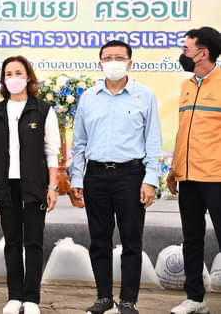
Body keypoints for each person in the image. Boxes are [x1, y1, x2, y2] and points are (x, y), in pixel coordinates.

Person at [70, 40, 162, 314]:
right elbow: (79, 144)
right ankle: (103, 298)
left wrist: (150, 180)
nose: (113, 62)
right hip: (96, 176)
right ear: (100, 62)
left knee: (131, 241)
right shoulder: (88, 97)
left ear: (129, 63)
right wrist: (77, 179)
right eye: (107, 57)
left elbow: (153, 141)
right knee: (99, 240)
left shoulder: (144, 96)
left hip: (131, 176)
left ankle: (128, 301)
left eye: (118, 57)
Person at [0, 55, 60, 314]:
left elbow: (52, 151)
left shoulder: (43, 110)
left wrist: (52, 187)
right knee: (12, 242)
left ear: (28, 76)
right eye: (8, 74)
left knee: (34, 243)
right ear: (3, 79)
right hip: (6, 186)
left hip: (35, 186)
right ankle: (14, 296)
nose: (13, 78)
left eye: (18, 72)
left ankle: (31, 299)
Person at [166, 27, 221, 314]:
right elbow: (183, 132)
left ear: (203, 53)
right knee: (192, 238)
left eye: (187, 49)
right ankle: (195, 299)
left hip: (216, 177)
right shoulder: (187, 85)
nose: (183, 54)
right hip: (187, 178)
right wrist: (174, 170)